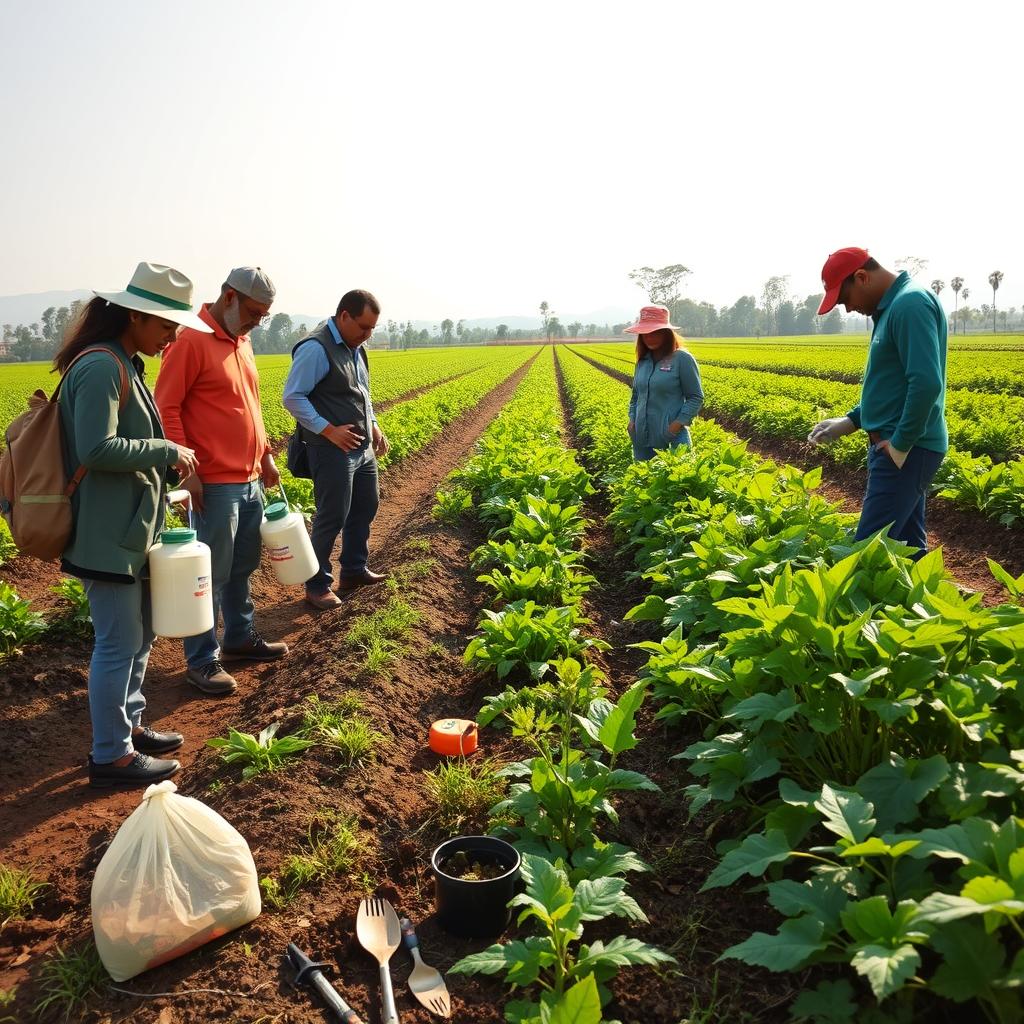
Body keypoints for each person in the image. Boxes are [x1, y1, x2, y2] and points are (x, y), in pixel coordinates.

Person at [56, 262, 205, 787]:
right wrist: (166, 449)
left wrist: (168, 483)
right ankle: (110, 757)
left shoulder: (126, 360)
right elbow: (98, 448)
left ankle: (131, 725)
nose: (173, 335)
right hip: (105, 537)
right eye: (166, 325)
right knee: (118, 643)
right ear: (136, 315)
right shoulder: (100, 366)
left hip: (131, 530)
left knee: (139, 639)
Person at [155, 267, 288, 696]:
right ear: (229, 296)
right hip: (213, 482)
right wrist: (187, 472)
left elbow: (251, 406)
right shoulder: (190, 339)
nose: (256, 322)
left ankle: (238, 638)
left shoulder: (242, 340)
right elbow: (167, 407)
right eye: (253, 311)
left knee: (241, 566)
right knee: (208, 575)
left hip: (248, 477)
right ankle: (202, 659)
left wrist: (265, 455)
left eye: (264, 315)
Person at [809, 247, 948, 558]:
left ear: (861, 277)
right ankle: (919, 604)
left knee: (867, 554)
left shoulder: (909, 304)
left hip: (907, 449)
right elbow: (891, 387)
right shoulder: (895, 307)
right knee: (907, 551)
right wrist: (851, 421)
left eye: (845, 300)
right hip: (903, 447)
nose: (846, 310)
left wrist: (899, 446)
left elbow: (926, 383)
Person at [282, 290, 390, 610]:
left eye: (372, 328)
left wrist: (373, 424)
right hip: (331, 450)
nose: (367, 335)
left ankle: (354, 570)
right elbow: (293, 397)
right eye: (363, 327)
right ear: (344, 316)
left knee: (365, 505)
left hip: (361, 447)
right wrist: (328, 430)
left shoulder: (357, 346)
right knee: (331, 517)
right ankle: (317, 584)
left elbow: (362, 393)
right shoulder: (316, 349)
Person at [625, 304, 704, 460]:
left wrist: (676, 425)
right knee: (645, 482)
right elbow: (636, 396)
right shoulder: (643, 361)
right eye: (645, 333)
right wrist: (632, 420)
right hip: (642, 437)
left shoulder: (682, 359)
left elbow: (696, 397)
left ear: (666, 333)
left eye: (655, 332)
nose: (649, 337)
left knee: (678, 481)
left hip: (672, 438)